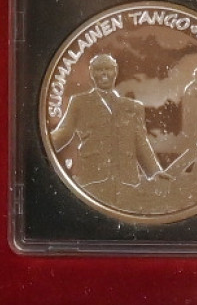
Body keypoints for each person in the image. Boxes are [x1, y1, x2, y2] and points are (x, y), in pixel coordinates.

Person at [49, 51, 162, 203]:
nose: (104, 74)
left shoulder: (133, 107)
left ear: (115, 72)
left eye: (108, 69)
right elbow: (64, 133)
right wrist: (42, 150)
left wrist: (155, 172)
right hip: (93, 180)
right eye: (99, 69)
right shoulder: (79, 103)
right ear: (92, 73)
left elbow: (141, 143)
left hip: (127, 182)